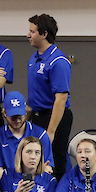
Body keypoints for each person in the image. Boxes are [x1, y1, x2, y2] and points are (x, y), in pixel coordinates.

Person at [26, 13, 74, 178]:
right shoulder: (35, 58)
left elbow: (60, 98)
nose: (28, 35)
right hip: (38, 116)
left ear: (44, 34)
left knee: (55, 162)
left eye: (32, 32)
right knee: (36, 161)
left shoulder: (58, 61)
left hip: (54, 117)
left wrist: (51, 131)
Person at [0, 91, 53, 180]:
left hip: (36, 183)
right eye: (13, 117)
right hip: (9, 184)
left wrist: (28, 181)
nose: (17, 120)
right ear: (4, 113)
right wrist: (15, 183)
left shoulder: (40, 134)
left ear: (26, 111)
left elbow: (47, 167)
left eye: (20, 116)